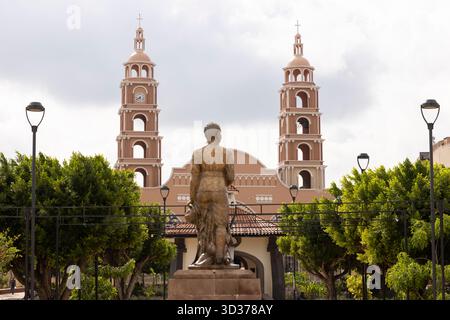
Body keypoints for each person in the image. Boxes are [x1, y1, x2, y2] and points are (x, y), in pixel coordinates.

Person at [187, 122, 236, 268]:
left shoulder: (197, 153)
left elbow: (194, 178)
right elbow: (231, 176)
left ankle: (205, 255)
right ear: (219, 135)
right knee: (220, 224)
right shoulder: (227, 153)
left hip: (202, 190)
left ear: (206, 136)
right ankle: (220, 256)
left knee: (204, 225)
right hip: (220, 189)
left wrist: (192, 197)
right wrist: (221, 182)